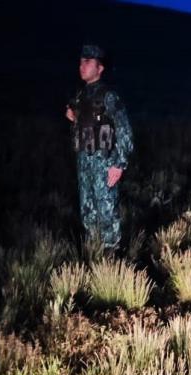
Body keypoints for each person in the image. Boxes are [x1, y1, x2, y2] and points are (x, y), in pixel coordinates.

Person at [65, 44, 134, 250]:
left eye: (87, 62)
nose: (82, 66)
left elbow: (124, 130)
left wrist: (119, 164)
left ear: (100, 68)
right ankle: (94, 253)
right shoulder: (81, 95)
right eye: (80, 62)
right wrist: (73, 117)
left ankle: (111, 259)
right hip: (84, 162)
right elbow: (86, 124)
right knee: (88, 212)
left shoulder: (108, 96)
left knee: (107, 212)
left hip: (104, 162)